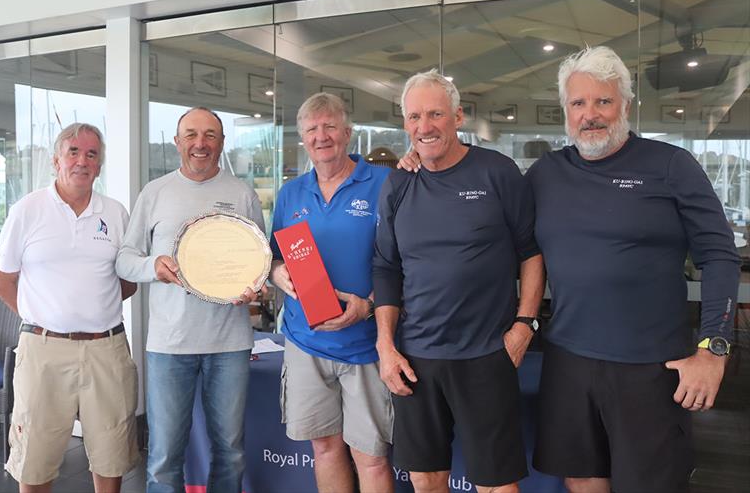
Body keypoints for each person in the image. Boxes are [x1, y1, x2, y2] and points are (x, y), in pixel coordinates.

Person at [527, 46, 741, 493]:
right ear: (565, 111)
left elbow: (718, 255)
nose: (591, 115)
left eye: (603, 101)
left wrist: (713, 349)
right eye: (578, 103)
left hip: (651, 366)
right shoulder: (546, 173)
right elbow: (484, 201)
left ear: (625, 104)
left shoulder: (670, 166)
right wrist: (418, 165)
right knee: (582, 479)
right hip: (568, 358)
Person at [373, 70, 545, 493]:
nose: (424, 126)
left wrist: (525, 325)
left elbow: (532, 254)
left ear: (458, 117)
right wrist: (386, 345)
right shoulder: (398, 182)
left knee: (496, 483)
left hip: (486, 355)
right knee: (426, 479)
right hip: (416, 358)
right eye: (414, 117)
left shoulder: (498, 173)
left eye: (435, 114)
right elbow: (385, 268)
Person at [115, 107, 265, 493]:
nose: (201, 144)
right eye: (192, 135)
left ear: (222, 143)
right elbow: (125, 260)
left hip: (230, 344)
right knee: (165, 457)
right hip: (169, 345)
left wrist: (256, 287)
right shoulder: (155, 192)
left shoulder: (242, 194)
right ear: (177, 142)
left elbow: (260, 263)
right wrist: (155, 266)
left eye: (211, 135)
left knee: (230, 452)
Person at [0, 123, 139, 493]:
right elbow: (2, 281)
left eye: (91, 154)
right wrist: (40, 316)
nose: (82, 161)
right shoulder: (27, 210)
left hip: (107, 349)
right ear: (56, 159)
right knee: (35, 460)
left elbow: (128, 280)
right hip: (43, 351)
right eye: (73, 151)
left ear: (100, 166)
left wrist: (91, 307)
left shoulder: (117, 214)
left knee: (111, 454)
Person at [269, 92, 394, 493]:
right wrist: (277, 274)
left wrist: (369, 305)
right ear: (303, 138)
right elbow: (274, 257)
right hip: (305, 342)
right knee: (324, 447)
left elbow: (407, 262)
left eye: (329, 126)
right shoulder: (291, 193)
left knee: (371, 457)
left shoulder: (384, 183)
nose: (321, 136)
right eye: (311, 129)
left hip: (367, 345)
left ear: (347, 132)